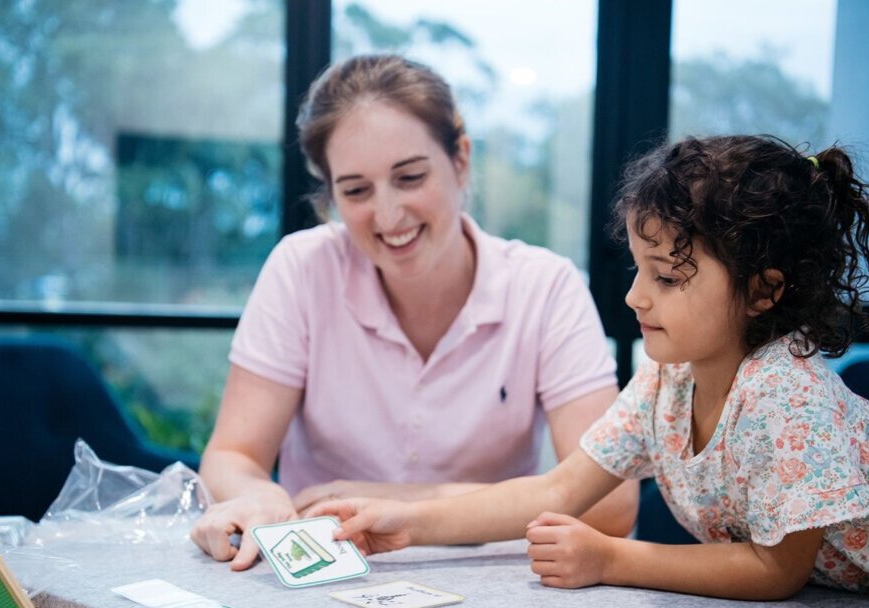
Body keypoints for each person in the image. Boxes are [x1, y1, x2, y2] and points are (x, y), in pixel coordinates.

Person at [310, 135, 869, 600]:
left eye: (667, 277)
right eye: (638, 271)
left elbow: (776, 571)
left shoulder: (788, 396)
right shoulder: (667, 380)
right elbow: (558, 489)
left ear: (764, 290)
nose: (635, 298)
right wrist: (408, 523)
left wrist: (612, 559)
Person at [190, 54, 639, 570]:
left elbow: (610, 504)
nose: (387, 215)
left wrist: (397, 504)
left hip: (494, 580)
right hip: (324, 576)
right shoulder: (302, 269)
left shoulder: (546, 286)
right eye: (356, 190)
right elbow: (231, 455)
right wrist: (258, 494)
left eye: (409, 178)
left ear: (461, 160)